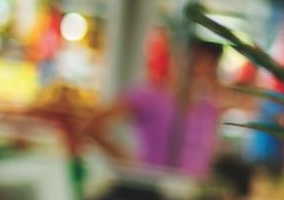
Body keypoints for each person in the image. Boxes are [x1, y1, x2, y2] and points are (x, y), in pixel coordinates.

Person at [89, 39, 227, 178]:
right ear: (180, 57)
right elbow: (94, 126)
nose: (200, 68)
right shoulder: (150, 96)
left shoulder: (209, 108)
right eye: (196, 60)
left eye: (209, 63)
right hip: (152, 190)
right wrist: (127, 162)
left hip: (191, 194)